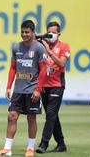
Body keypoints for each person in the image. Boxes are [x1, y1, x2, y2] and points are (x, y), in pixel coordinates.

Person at [0, 20, 47, 157]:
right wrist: (8, 87)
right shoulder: (16, 47)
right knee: (12, 116)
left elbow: (44, 70)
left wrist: (38, 89)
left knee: (31, 118)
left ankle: (30, 148)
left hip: (32, 90)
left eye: (27, 32)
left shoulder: (39, 48)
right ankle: (7, 149)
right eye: (22, 32)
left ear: (33, 33)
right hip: (18, 90)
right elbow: (12, 68)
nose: (24, 34)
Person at [36, 22, 70, 154]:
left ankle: (43, 144)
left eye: (53, 33)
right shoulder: (41, 46)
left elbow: (61, 63)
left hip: (57, 85)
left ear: (59, 34)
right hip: (44, 85)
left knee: (50, 115)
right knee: (53, 116)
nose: (51, 36)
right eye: (49, 33)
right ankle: (61, 144)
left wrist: (48, 50)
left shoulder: (64, 46)